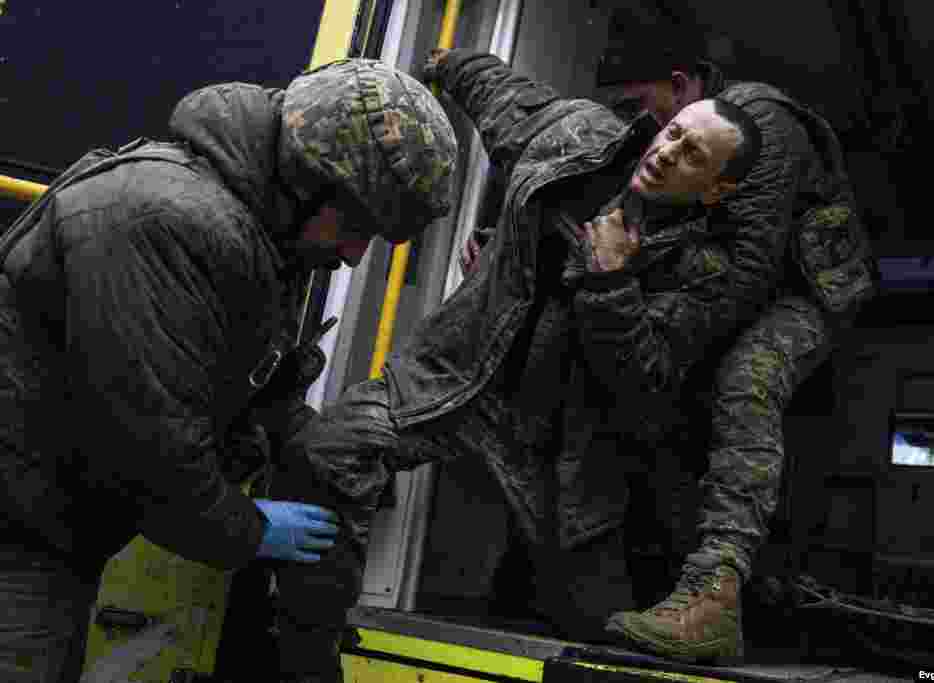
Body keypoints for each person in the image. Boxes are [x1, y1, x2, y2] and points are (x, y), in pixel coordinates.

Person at [281, 40, 870, 659]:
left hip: (561, 451)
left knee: (595, 630)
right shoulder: (575, 139)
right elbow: (501, 93)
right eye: (671, 134)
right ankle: (304, 648)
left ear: (716, 192)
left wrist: (610, 282)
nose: (667, 153)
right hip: (462, 383)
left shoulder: (701, 271)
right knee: (331, 447)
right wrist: (444, 62)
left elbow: (645, 382)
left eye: (692, 155)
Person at [0, 58, 457, 683]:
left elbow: (248, 378)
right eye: (355, 224)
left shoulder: (259, 235)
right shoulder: (162, 220)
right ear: (306, 175)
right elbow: (148, 447)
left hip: (45, 527)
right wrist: (249, 530)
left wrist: (319, 447)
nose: (353, 254)